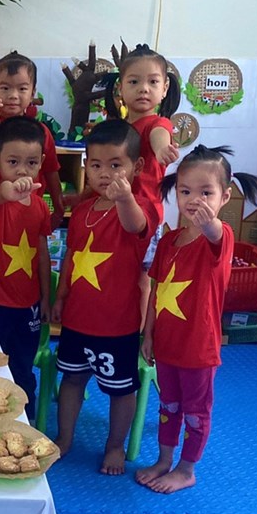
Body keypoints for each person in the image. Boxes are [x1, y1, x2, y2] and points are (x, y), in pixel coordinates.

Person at [136, 145, 257, 494]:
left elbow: (215, 232)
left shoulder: (220, 238)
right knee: (168, 406)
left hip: (198, 350)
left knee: (196, 411)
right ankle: (164, 460)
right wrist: (149, 334)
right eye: (186, 191)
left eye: (206, 193)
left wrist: (209, 222)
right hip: (166, 345)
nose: (195, 200)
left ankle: (186, 469)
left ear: (225, 196)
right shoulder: (168, 242)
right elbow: (157, 291)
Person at [50, 120, 158, 475]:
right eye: (95, 165)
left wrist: (125, 196)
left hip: (117, 326)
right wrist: (61, 297)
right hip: (77, 320)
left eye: (115, 165)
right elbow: (71, 258)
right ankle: (65, 437)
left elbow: (134, 225)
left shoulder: (140, 206)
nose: (105, 173)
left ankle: (114, 446)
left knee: (120, 390)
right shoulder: (83, 211)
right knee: (72, 380)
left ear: (136, 167)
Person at [0, 116, 54, 420]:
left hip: (27, 305)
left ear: (41, 162)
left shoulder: (41, 207)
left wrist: (45, 298)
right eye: (13, 161)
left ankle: (24, 420)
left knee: (22, 367)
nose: (22, 170)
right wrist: (11, 190)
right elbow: (2, 193)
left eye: (31, 163)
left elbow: (42, 254)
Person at [103, 44, 182, 319]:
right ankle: (116, 321)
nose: (143, 89)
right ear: (120, 89)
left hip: (144, 217)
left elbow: (159, 136)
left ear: (165, 88)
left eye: (153, 82)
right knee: (117, 271)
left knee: (141, 277)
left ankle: (137, 332)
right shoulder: (121, 129)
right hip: (117, 213)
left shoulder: (158, 124)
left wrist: (161, 151)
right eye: (134, 82)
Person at [0, 52, 65, 230]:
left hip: (28, 205)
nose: (13, 95)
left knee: (28, 243)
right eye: (5, 88)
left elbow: (51, 170)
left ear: (32, 93)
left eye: (22, 89)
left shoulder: (40, 132)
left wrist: (58, 205)